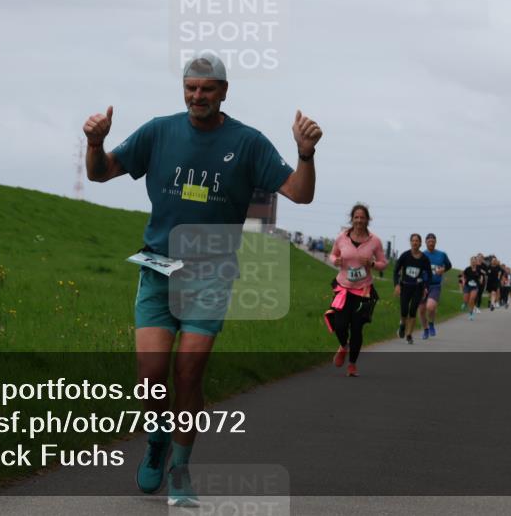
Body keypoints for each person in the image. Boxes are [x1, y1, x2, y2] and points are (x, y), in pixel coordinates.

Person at [83, 53, 322, 506]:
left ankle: (180, 469)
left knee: (189, 373)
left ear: (224, 92)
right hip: (158, 268)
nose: (198, 96)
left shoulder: (247, 143)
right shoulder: (159, 131)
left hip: (210, 274)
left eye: (207, 89)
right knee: (150, 377)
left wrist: (305, 153)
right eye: (191, 88)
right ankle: (157, 439)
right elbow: (101, 173)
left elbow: (299, 193)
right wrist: (95, 143)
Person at [325, 203, 387, 376]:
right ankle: (343, 346)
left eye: (362, 217)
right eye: (356, 217)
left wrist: (373, 264)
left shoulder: (374, 241)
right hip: (343, 288)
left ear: (368, 219)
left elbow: (384, 263)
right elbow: (333, 254)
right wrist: (334, 260)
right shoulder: (342, 237)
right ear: (352, 219)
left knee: (357, 328)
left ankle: (352, 364)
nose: (359, 220)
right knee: (340, 324)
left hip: (363, 291)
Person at [394, 234, 433, 344]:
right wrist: (397, 284)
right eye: (413, 241)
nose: (415, 243)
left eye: (417, 241)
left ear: (420, 243)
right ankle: (402, 324)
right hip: (405, 286)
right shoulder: (405, 256)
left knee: (412, 311)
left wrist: (426, 287)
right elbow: (396, 271)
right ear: (410, 242)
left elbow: (429, 275)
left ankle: (409, 335)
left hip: (417, 288)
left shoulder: (424, 259)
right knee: (404, 310)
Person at [420, 233, 451, 339]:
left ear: (435, 242)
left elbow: (449, 265)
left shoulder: (442, 254)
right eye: (429, 241)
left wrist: (443, 269)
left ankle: (431, 323)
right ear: (426, 243)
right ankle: (425, 329)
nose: (431, 243)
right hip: (422, 285)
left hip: (435, 285)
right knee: (422, 310)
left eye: (433, 241)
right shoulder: (422, 255)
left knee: (430, 306)